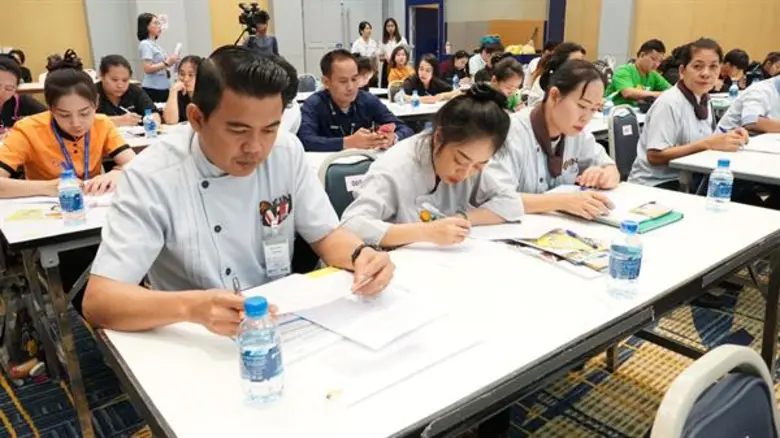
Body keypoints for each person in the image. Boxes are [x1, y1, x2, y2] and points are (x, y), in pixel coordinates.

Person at [82, 45, 394, 336]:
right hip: (192, 333)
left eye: (269, 129)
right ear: (196, 118)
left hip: (280, 320)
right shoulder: (152, 177)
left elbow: (326, 234)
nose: (256, 148)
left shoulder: (286, 151)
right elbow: (100, 300)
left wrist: (361, 254)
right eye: (238, 130)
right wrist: (192, 307)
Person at [340, 84, 522, 247]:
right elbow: (351, 224)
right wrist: (426, 232)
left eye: (478, 166)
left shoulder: (473, 157)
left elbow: (511, 203)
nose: (465, 173)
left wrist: (462, 218)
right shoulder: (396, 167)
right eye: (460, 161)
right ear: (439, 137)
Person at [488, 59, 620, 220]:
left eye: (594, 109)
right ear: (555, 95)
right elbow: (497, 200)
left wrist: (604, 174)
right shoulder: (510, 132)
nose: (586, 117)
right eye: (582, 106)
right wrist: (561, 202)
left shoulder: (577, 133)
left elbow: (611, 169)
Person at [0, 49, 137, 197]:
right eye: (64, 115)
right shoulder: (28, 129)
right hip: (46, 209)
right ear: (51, 109)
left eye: (85, 113)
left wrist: (117, 173)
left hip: (92, 204)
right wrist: (47, 187)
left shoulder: (102, 123)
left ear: (96, 103)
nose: (76, 123)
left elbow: (135, 164)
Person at [629, 39, 750, 190]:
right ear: (682, 71)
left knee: (745, 189)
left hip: (691, 177)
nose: (706, 74)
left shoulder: (703, 98)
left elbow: (705, 140)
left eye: (713, 67)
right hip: (657, 184)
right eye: (697, 66)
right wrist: (708, 144)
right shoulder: (669, 102)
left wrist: (730, 136)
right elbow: (655, 156)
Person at [298, 49, 412, 152]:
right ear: (326, 82)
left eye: (354, 79)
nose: (351, 87)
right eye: (343, 81)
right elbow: (305, 140)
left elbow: (405, 129)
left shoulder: (367, 100)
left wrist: (392, 138)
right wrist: (347, 142)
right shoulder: (313, 104)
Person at [96, 54, 160, 127]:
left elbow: (153, 113)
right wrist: (119, 120)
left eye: (125, 80)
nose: (120, 85)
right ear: (102, 76)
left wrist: (154, 123)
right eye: (114, 80)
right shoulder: (90, 93)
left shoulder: (135, 91)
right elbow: (88, 121)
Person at [605, 39, 671, 107]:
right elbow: (628, 92)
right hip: (614, 112)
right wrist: (661, 94)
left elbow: (671, 91)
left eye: (659, 61)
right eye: (653, 59)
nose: (657, 64)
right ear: (642, 55)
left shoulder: (653, 75)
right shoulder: (623, 71)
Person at [526, 42, 587, 107]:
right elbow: (538, 107)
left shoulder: (580, 81)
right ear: (561, 62)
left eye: (582, 61)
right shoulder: (545, 80)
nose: (581, 65)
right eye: (576, 62)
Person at [0, 55, 46, 137]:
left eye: (9, 89)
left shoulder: (22, 101)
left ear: (16, 88)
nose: (1, 93)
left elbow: (50, 120)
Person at [137, 12, 179, 102]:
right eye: (155, 23)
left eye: (159, 23)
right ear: (146, 26)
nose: (159, 26)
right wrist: (166, 62)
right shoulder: (145, 44)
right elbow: (147, 68)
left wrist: (172, 61)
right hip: (153, 88)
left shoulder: (155, 45)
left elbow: (163, 65)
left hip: (164, 86)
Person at [163, 55, 202, 124]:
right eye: (182, 74)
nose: (185, 79)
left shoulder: (208, 94)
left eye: (191, 75)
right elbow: (170, 121)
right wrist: (173, 91)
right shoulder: (178, 93)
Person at [377, 18, 408, 87]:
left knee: (398, 85)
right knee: (386, 86)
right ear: (385, 28)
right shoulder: (383, 41)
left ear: (395, 27)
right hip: (387, 65)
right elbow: (379, 56)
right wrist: (385, 57)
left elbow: (407, 53)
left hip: (399, 65)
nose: (390, 28)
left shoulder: (401, 40)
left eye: (392, 26)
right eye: (388, 26)